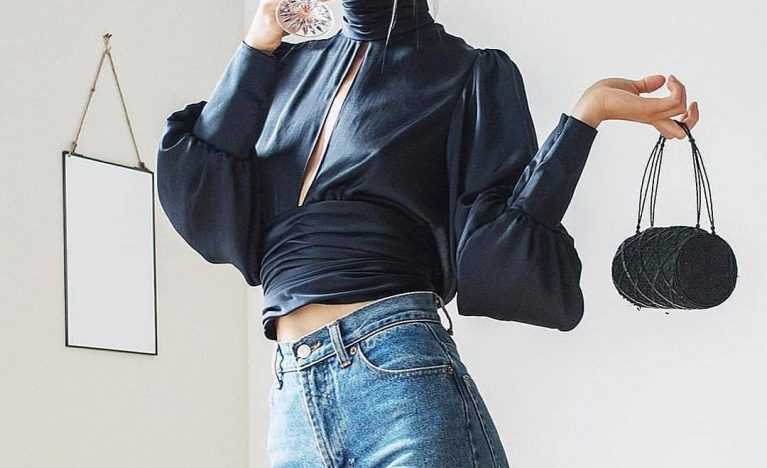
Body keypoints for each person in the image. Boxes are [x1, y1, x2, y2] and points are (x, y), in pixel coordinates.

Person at [156, 0, 700, 466]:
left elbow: (495, 245)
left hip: (398, 367)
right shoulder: (283, 66)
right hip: (294, 392)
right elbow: (203, 195)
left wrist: (585, 118)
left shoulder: (467, 73)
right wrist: (257, 44)